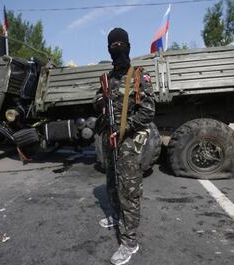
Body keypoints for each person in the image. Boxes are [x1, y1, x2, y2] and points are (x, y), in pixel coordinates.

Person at [94, 28, 155, 265]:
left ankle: (130, 242)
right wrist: (100, 100)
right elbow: (97, 99)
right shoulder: (108, 78)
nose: (116, 48)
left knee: (129, 190)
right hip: (109, 140)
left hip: (128, 142)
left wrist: (125, 127)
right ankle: (116, 217)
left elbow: (149, 111)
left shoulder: (138, 75)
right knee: (111, 182)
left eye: (120, 44)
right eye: (112, 45)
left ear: (128, 46)